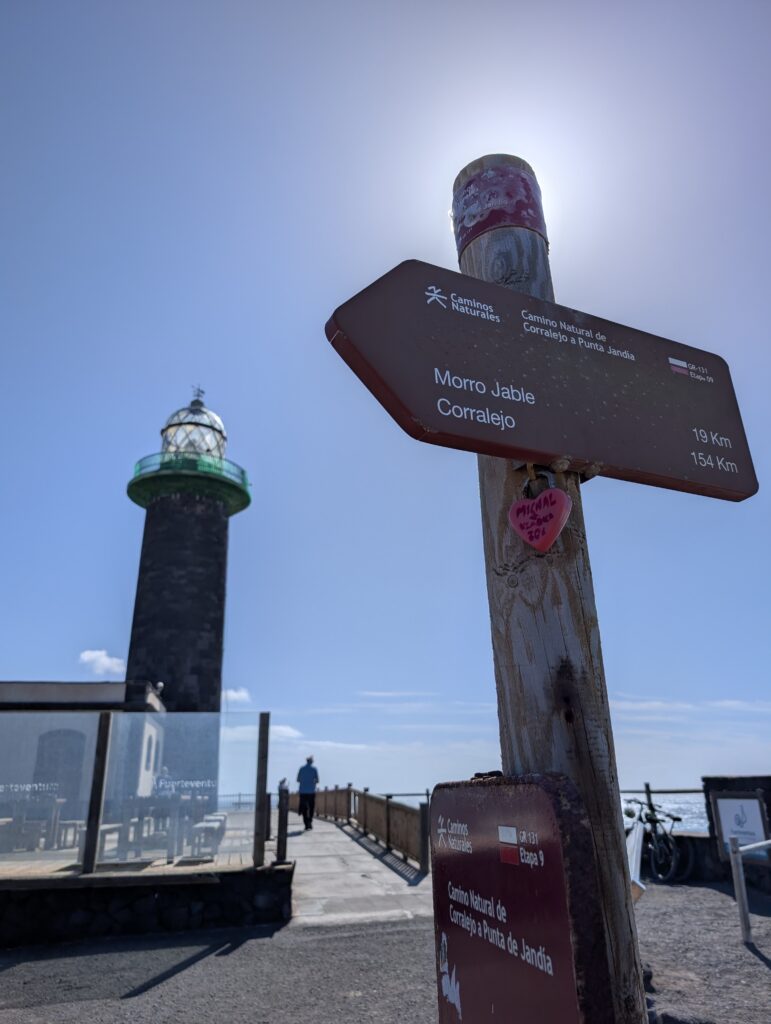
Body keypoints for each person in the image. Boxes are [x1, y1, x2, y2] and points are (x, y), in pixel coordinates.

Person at [296, 756, 319, 830]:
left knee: (304, 808)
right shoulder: (314, 769)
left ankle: (306, 824)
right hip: (311, 791)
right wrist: (312, 782)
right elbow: (317, 780)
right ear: (311, 762)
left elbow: (298, 780)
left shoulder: (301, 769)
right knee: (311, 807)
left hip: (302, 791)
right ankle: (310, 821)